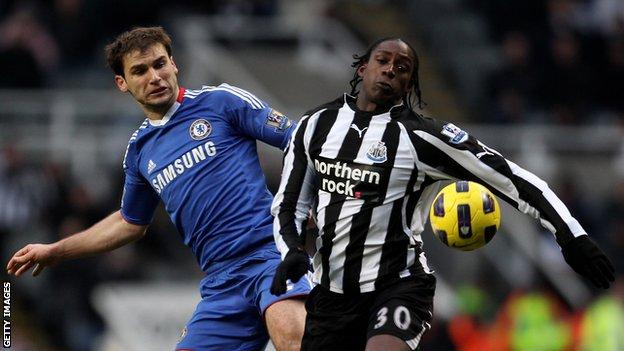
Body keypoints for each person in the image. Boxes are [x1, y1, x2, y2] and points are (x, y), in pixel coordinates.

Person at [269, 37, 615, 351]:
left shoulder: (422, 137)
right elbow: (289, 203)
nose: (391, 69)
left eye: (402, 68)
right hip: (331, 295)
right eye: (383, 60)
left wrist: (571, 235)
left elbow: (509, 177)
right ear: (363, 68)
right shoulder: (315, 125)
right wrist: (293, 250)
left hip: (397, 286)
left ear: (408, 85)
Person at [6, 26, 310, 351]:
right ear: (122, 83)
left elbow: (300, 141)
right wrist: (56, 250)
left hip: (269, 255)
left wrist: (304, 208)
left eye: (159, 64)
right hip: (222, 282)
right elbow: (129, 222)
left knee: (292, 337)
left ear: (174, 64)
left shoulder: (221, 102)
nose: (155, 76)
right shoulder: (140, 151)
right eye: (140, 70)